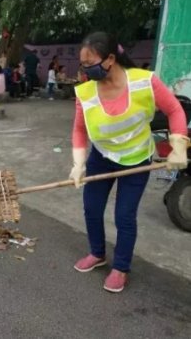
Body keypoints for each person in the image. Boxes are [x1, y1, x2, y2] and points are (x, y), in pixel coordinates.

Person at [69, 32, 189, 293]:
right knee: (91, 208)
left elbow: (175, 110)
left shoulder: (144, 82)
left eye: (90, 64)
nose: (85, 69)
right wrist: (78, 164)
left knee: (124, 215)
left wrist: (178, 146)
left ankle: (121, 267)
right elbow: (79, 130)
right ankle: (97, 253)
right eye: (83, 64)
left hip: (136, 159)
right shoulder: (85, 92)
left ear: (110, 59)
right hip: (102, 157)